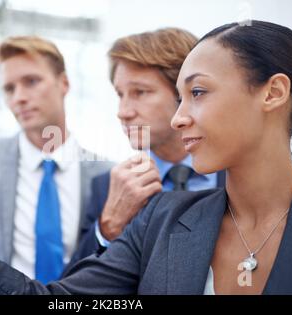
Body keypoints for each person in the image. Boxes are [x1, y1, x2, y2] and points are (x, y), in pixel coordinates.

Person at [0, 21, 292, 294]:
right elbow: (56, 298)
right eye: (119, 94)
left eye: (196, 93)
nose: (178, 118)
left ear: (272, 92)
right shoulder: (162, 217)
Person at [0, 36, 111, 284]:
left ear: (64, 83)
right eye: (9, 89)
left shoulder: (106, 175)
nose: (19, 98)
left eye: (31, 82)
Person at [64, 28, 225, 273]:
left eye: (140, 92)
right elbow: (69, 290)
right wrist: (108, 226)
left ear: (185, 94)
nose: (123, 111)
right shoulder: (106, 188)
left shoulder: (239, 173)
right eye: (120, 95)